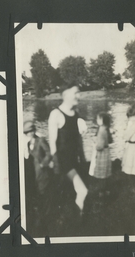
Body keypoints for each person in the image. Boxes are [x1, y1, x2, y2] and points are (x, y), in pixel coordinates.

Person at [48, 83, 88, 213]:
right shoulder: (56, 114)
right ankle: (78, 220)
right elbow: (52, 141)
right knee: (83, 191)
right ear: (65, 95)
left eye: (79, 92)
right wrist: (56, 163)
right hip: (63, 162)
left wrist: (82, 157)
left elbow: (78, 138)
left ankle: (71, 216)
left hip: (74, 160)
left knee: (71, 192)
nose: (79, 96)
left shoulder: (76, 114)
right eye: (75, 93)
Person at [23, 120, 53, 235]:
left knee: (44, 193)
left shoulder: (41, 141)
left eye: (29, 132)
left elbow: (49, 154)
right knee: (37, 194)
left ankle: (45, 220)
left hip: (43, 173)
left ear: (33, 131)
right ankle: (40, 218)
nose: (27, 134)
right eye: (26, 133)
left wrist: (42, 164)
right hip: (33, 174)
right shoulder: (28, 144)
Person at [89, 112, 113, 179]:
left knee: (99, 170)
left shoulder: (101, 130)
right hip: (106, 151)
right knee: (105, 170)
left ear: (102, 120)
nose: (97, 120)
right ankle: (104, 185)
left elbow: (100, 146)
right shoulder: (106, 128)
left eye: (98, 119)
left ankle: (100, 185)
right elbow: (109, 141)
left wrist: (94, 145)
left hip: (101, 153)